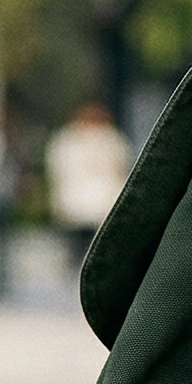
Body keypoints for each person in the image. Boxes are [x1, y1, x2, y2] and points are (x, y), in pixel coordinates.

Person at [45, 103, 132, 266]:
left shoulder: (68, 140)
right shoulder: (110, 140)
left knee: (82, 255)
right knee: (90, 255)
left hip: (87, 207)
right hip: (93, 207)